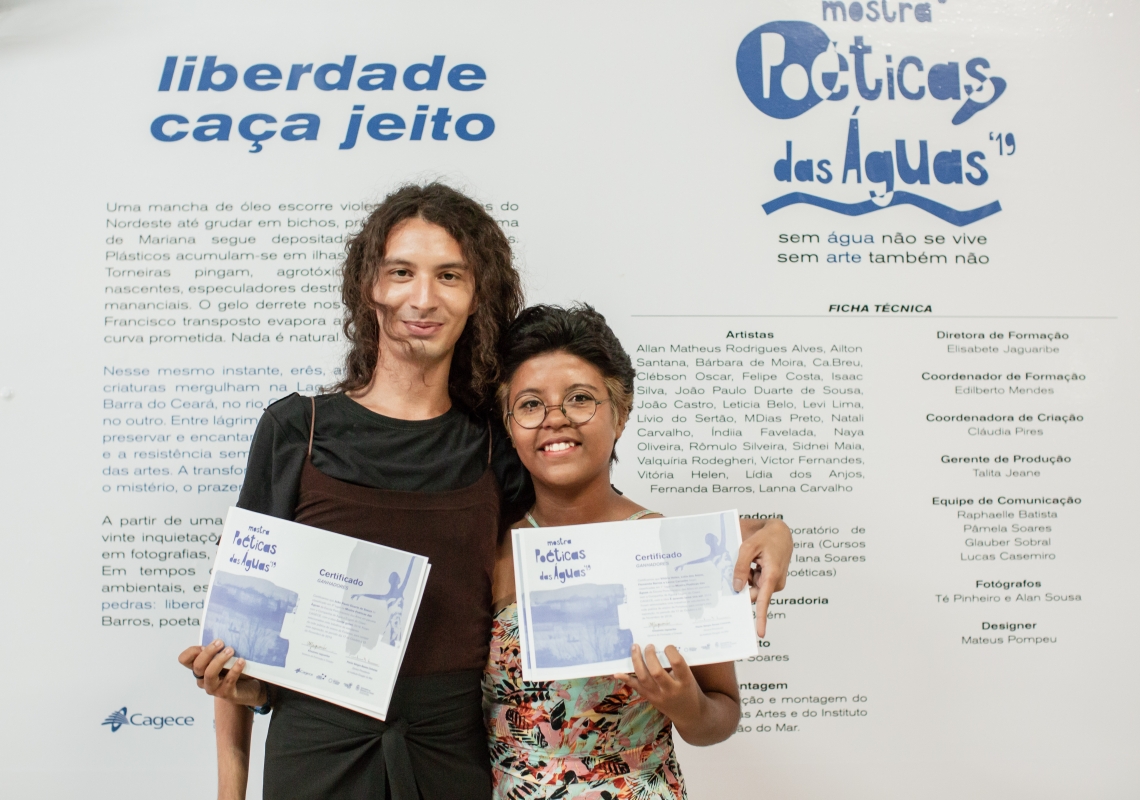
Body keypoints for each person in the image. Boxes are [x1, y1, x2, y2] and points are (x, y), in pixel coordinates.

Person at [178, 183, 793, 800]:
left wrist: (770, 531)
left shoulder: (495, 443)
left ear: (478, 296)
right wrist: (232, 785)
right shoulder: (296, 430)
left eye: (449, 275)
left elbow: (606, 534)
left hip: (453, 758)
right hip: (316, 752)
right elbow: (237, 633)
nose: (424, 297)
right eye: (401, 272)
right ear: (369, 286)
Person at [486, 304, 748, 799]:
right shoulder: (491, 548)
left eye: (580, 399)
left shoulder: (670, 547)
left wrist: (686, 704)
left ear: (621, 415)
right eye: (530, 404)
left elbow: (721, 715)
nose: (555, 419)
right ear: (509, 425)